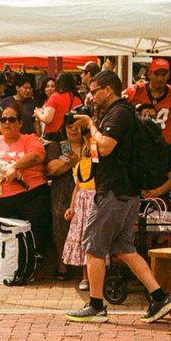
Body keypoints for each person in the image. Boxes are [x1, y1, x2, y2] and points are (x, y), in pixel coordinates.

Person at [66, 70, 171, 324]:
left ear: (108, 90)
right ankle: (160, 297)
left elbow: (105, 147)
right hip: (125, 193)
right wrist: (90, 129)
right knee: (124, 248)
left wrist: (90, 124)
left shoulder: (118, 113)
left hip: (114, 192)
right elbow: (98, 153)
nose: (90, 97)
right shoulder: (120, 113)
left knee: (93, 246)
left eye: (93, 91)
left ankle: (96, 306)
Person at [0, 106, 51, 281]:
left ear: (20, 123)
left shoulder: (30, 139)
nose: (7, 123)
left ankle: (35, 260)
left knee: (40, 211)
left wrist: (14, 166)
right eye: (3, 120)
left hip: (28, 191)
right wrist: (7, 168)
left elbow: (36, 156)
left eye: (12, 119)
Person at [44, 117, 85, 279]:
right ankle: (63, 265)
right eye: (70, 126)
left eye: (77, 127)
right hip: (62, 187)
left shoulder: (89, 144)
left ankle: (84, 268)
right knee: (59, 221)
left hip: (86, 188)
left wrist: (67, 161)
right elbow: (53, 169)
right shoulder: (59, 145)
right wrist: (73, 161)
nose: (74, 130)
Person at [61, 122, 97, 290]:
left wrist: (91, 136)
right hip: (82, 201)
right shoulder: (79, 162)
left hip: (95, 199)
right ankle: (85, 277)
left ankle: (97, 275)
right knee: (83, 237)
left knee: (94, 237)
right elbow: (77, 186)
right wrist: (71, 207)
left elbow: (94, 146)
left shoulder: (96, 158)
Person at [35, 72, 83, 138]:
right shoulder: (78, 99)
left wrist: (38, 113)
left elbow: (47, 119)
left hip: (54, 135)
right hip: (71, 135)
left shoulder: (55, 97)